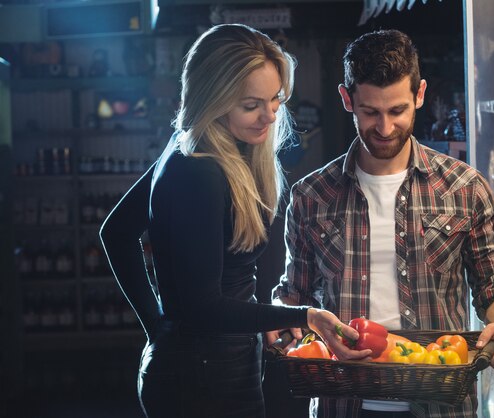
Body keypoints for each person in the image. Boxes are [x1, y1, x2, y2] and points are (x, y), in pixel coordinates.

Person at [99, 24, 370, 418]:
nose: (268, 116)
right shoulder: (198, 170)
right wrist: (304, 315)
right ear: (214, 98)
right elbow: (205, 307)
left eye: (275, 99)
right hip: (199, 381)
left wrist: (159, 326)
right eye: (251, 105)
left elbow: (117, 232)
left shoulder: (193, 147)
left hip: (218, 365)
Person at [268, 29, 494, 418]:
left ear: (420, 94)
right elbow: (294, 296)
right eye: (370, 112)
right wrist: (277, 317)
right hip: (343, 404)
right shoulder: (311, 197)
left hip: (441, 405)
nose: (385, 128)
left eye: (397, 110)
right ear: (347, 99)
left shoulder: (466, 189)